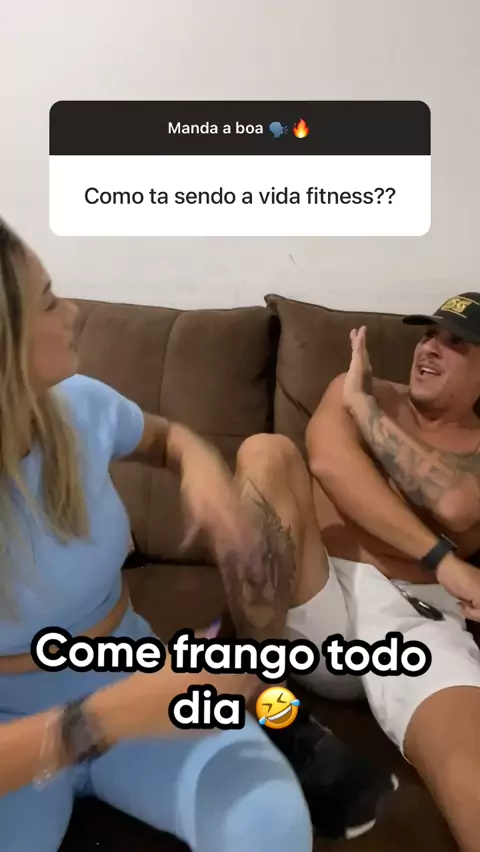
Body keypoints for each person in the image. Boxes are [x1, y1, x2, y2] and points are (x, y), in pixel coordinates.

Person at [0, 219, 314, 852]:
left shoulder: (78, 404)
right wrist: (100, 721)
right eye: (51, 301)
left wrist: (202, 471)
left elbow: (167, 438)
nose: (74, 312)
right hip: (21, 726)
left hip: (129, 664)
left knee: (271, 826)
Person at [234, 294, 480, 852]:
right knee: (265, 452)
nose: (430, 349)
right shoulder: (356, 388)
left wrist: (363, 411)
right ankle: (260, 690)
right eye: (428, 335)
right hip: (317, 591)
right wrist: (442, 558)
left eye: (455, 343)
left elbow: (458, 506)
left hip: (415, 620)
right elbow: (327, 462)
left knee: (468, 761)